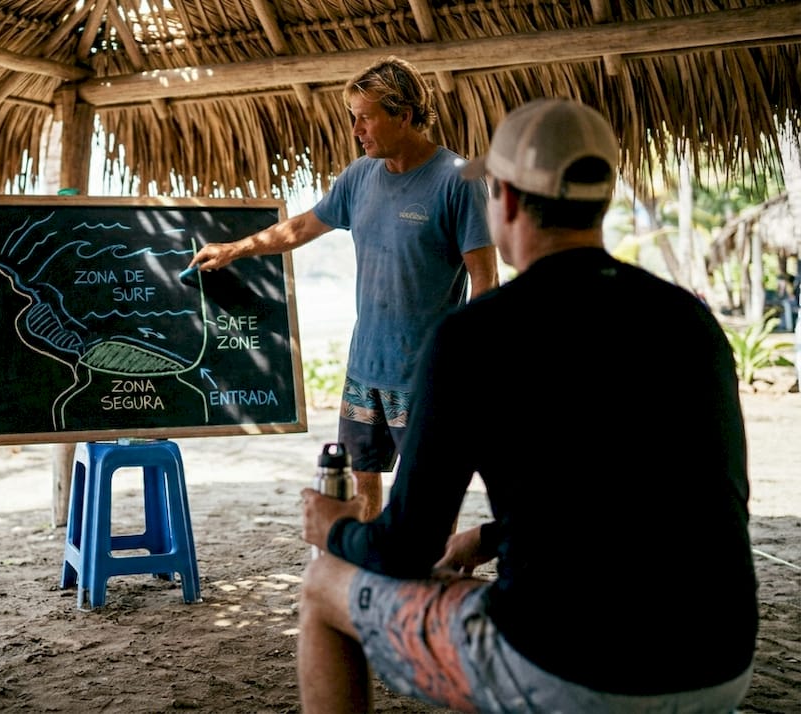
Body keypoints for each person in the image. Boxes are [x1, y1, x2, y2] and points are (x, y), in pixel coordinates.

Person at [296, 99, 758, 712]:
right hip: (720, 660)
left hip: (568, 669)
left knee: (324, 585)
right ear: (601, 201)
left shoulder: (474, 336)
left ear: (507, 201)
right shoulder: (689, 321)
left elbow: (405, 548)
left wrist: (336, 527)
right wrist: (491, 535)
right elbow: (670, 493)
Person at [188, 56, 497, 521]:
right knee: (360, 483)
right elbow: (299, 229)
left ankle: (427, 584)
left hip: (424, 375)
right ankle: (370, 574)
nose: (356, 129)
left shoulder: (458, 180)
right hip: (364, 369)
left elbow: (486, 280)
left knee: (427, 498)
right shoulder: (359, 177)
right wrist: (235, 249)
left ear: (403, 115)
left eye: (365, 116)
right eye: (353, 116)